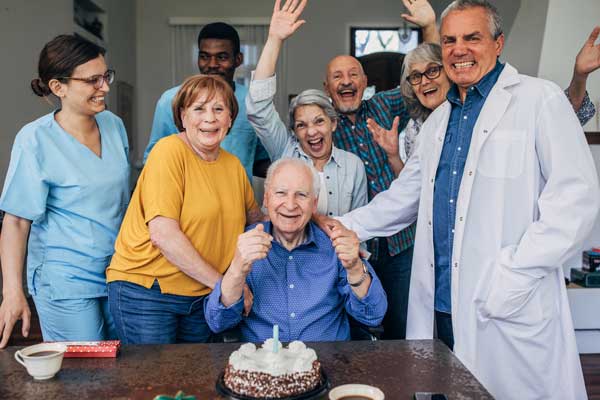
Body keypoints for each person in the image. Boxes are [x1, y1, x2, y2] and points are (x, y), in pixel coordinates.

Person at [318, 1, 598, 398]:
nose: (458, 49)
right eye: (449, 40)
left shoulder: (539, 100)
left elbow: (576, 199)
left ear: (498, 43)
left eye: (472, 38)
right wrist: (344, 224)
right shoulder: (439, 121)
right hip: (442, 306)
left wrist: (515, 273)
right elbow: (404, 197)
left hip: (505, 300)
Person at [107, 75, 263, 344]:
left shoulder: (233, 166)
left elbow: (257, 220)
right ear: (182, 115)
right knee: (154, 382)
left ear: (230, 118)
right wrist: (225, 284)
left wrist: (315, 219)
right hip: (148, 292)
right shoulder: (168, 152)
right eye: (198, 109)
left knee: (195, 380)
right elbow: (163, 235)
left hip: (201, 293)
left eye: (219, 109)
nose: (210, 118)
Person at [0, 34, 130, 346]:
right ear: (59, 87)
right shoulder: (35, 140)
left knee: (119, 372)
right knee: (84, 379)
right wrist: (12, 291)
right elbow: (16, 222)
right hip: (65, 279)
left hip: (117, 273)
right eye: (93, 80)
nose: (106, 87)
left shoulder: (114, 125)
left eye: (106, 76)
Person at [322, 0, 438, 341]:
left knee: (405, 329)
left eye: (353, 74)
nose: (346, 81)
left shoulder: (386, 105)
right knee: (360, 330)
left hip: (402, 244)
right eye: (337, 77)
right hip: (357, 247)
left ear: (365, 81)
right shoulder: (323, 128)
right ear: (327, 88)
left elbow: (429, 74)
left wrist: (430, 26)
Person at [204, 158, 387, 342]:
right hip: (261, 365)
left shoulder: (335, 244)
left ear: (314, 204)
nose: (290, 205)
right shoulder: (246, 243)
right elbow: (218, 322)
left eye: (301, 195)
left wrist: (354, 267)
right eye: (281, 193)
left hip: (328, 362)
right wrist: (236, 271)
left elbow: (372, 315)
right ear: (266, 199)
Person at [246, 0, 367, 218]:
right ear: (294, 131)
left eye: (319, 121)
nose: (311, 132)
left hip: (333, 253)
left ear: (333, 123)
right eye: (301, 125)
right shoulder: (285, 151)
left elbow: (357, 230)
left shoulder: (353, 166)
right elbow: (258, 108)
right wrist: (275, 39)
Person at [143, 22, 269, 180]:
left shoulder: (253, 102)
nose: (212, 65)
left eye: (221, 57)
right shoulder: (171, 100)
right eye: (204, 57)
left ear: (238, 59)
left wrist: (300, 166)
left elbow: (258, 161)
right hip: (187, 201)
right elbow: (155, 160)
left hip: (237, 201)